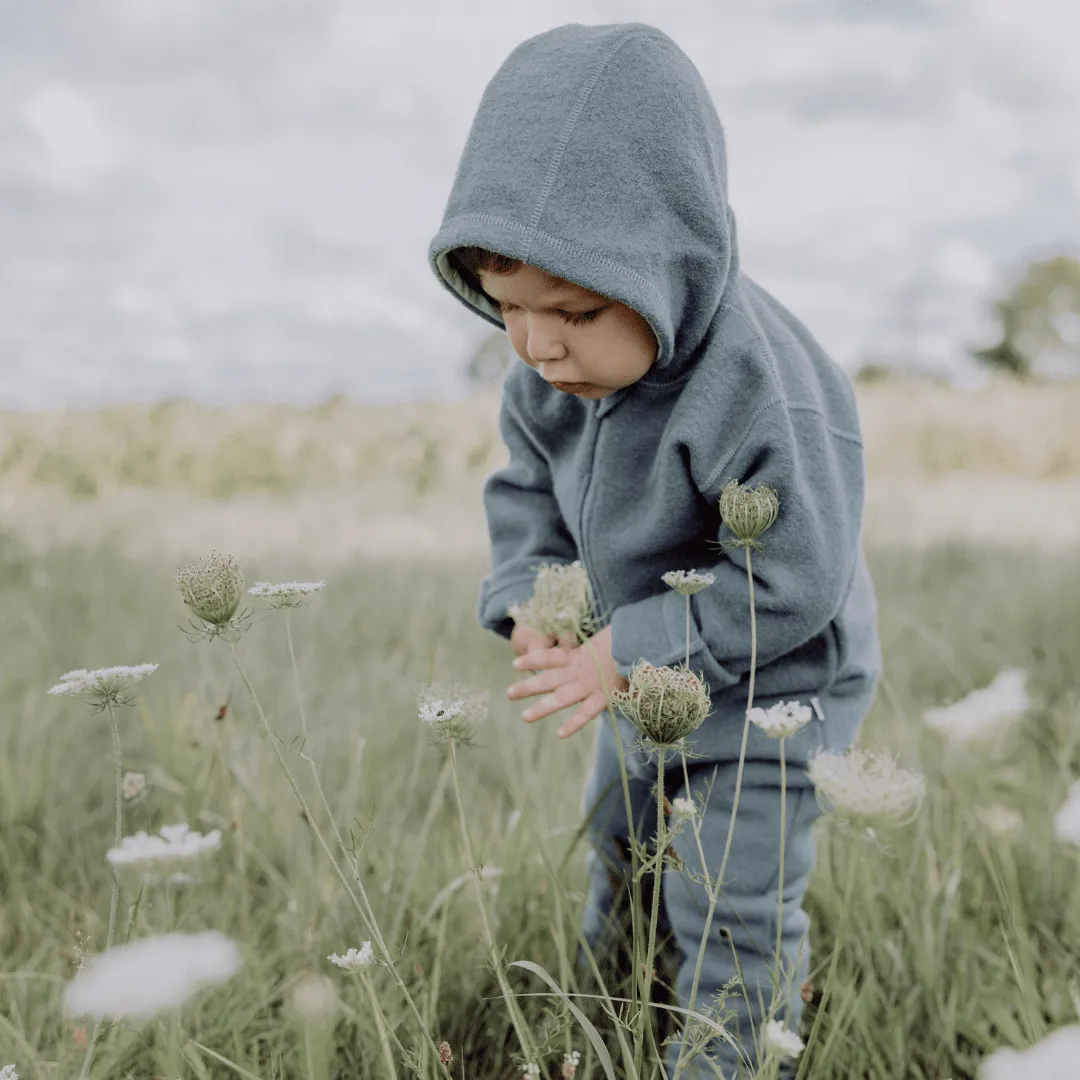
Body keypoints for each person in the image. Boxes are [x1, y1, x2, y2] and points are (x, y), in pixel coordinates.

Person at [427, 21, 882, 1078]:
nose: (539, 344)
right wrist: (538, 607)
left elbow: (796, 573)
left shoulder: (758, 389)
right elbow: (527, 490)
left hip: (776, 682)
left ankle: (727, 1053)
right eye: (508, 310)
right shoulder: (547, 379)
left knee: (729, 895)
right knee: (624, 848)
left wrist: (626, 648)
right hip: (636, 670)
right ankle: (618, 1014)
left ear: (670, 259)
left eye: (576, 309)